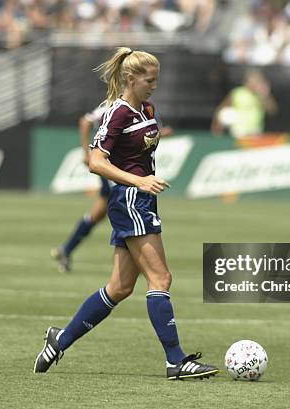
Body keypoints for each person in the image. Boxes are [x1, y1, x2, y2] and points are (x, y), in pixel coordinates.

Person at [34, 47, 219, 380]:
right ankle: (175, 361)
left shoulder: (146, 108)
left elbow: (142, 142)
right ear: (131, 79)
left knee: (119, 288)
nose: (155, 86)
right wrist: (139, 180)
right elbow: (96, 162)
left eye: (157, 80)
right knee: (161, 278)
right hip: (130, 199)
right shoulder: (116, 112)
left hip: (141, 199)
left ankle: (59, 340)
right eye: (150, 80)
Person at [51, 103, 173, 273]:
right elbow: (85, 121)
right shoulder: (114, 108)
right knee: (120, 210)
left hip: (121, 171)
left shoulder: (143, 108)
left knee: (99, 213)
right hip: (115, 170)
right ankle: (129, 259)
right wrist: (86, 153)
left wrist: (160, 134)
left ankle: (67, 250)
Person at [210, 68, 277, 139]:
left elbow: (272, 111)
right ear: (246, 81)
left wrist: (265, 96)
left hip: (255, 132)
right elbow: (221, 109)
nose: (254, 83)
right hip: (238, 132)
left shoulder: (261, 94)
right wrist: (216, 129)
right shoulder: (237, 93)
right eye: (252, 80)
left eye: (257, 81)